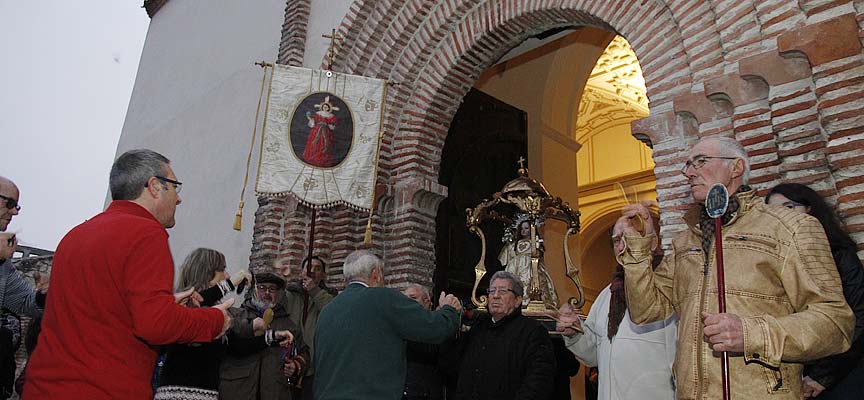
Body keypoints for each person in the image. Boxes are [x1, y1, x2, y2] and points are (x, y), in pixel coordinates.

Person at [613, 136, 855, 399]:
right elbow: (645, 311)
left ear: (736, 168)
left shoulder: (790, 227)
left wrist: (752, 333)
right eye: (687, 165)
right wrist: (638, 250)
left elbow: (836, 323)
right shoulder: (686, 240)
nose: (689, 173)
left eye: (700, 161)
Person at [24, 149, 233, 400]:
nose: (179, 199)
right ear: (155, 186)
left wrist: (167, 305)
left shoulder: (75, 235)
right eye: (176, 186)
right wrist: (214, 321)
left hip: (43, 388)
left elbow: (103, 311)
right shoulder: (146, 233)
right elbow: (155, 325)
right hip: (103, 390)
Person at [314, 249, 462, 400]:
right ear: (376, 274)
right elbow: (436, 328)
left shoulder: (327, 311)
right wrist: (449, 310)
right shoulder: (383, 298)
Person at [556, 224, 676, 400]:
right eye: (616, 240)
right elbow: (593, 355)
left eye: (629, 237)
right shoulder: (607, 294)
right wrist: (575, 333)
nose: (621, 246)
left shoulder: (666, 289)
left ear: (652, 242)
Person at [767, 183, 864, 399]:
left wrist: (822, 376)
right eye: (773, 212)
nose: (782, 215)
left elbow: (859, 317)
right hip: (797, 374)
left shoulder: (839, 255)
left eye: (789, 207)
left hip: (842, 371)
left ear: (809, 209)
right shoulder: (775, 263)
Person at [155, 248, 257, 400]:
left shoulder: (217, 312)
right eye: (222, 269)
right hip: (177, 394)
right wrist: (230, 283)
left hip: (207, 394)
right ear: (208, 273)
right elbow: (200, 302)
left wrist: (272, 336)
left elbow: (236, 347)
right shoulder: (185, 305)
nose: (227, 275)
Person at [444, 270, 556, 400]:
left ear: (518, 300)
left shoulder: (533, 331)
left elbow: (539, 381)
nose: (495, 296)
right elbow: (453, 370)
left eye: (503, 291)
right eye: (492, 291)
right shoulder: (478, 328)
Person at [219, 272, 307, 400]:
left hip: (274, 392)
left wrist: (295, 366)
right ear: (253, 291)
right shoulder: (235, 315)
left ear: (279, 294)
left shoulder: (289, 325)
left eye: (272, 289)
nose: (267, 293)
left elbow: (305, 353)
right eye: (262, 288)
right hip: (236, 391)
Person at [278, 255, 336, 400]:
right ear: (301, 272)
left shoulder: (329, 296)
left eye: (318, 269)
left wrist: (314, 290)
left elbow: (332, 312)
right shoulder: (290, 294)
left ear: (323, 275)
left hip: (314, 366)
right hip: (288, 360)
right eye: (309, 268)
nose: (313, 272)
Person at [498, 216, 558, 308]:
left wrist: (537, 250)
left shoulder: (536, 242)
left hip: (530, 266)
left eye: (526, 228)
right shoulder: (516, 243)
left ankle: (530, 300)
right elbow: (511, 253)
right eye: (521, 228)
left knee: (530, 282)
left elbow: (539, 253)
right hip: (515, 266)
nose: (523, 231)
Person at [401, 284, 445, 400]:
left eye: (413, 297)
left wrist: (441, 318)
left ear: (427, 303)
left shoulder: (436, 328)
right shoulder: (399, 326)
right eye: (405, 298)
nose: (407, 301)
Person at [302, 96, 338, 167]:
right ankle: (313, 157)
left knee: (325, 144)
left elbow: (332, 125)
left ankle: (322, 159)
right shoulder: (318, 114)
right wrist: (310, 118)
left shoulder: (331, 116)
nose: (325, 108)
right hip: (316, 131)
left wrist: (328, 125)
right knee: (315, 143)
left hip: (326, 132)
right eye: (324, 106)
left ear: (328, 108)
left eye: (326, 107)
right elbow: (313, 122)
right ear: (322, 107)